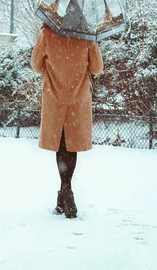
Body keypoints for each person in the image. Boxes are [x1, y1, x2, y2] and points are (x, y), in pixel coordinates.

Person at [31, 23, 103, 218]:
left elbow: (36, 65)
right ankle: (66, 191)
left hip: (54, 96)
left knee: (60, 143)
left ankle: (65, 192)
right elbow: (97, 68)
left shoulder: (48, 32)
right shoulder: (86, 34)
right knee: (71, 146)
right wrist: (91, 43)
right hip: (78, 98)